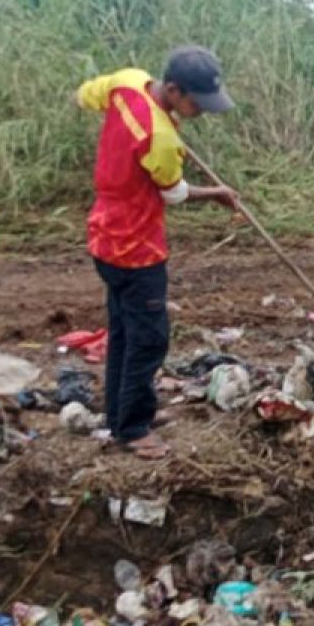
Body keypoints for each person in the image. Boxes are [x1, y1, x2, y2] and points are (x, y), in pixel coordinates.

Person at [75, 45, 241, 459]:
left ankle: (125, 412)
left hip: (104, 235)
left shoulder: (128, 81)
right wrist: (216, 193)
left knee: (124, 332)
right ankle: (131, 429)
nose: (200, 112)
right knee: (148, 340)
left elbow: (84, 95)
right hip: (136, 248)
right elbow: (174, 193)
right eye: (196, 104)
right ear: (172, 89)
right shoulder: (161, 138)